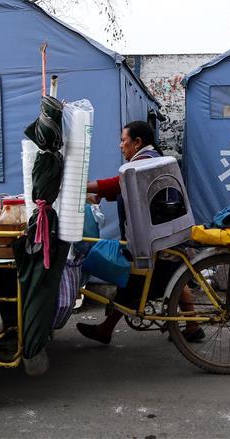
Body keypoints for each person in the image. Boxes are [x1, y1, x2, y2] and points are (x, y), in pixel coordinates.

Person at [76, 121, 204, 345]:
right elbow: (132, 193)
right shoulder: (150, 160)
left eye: (123, 140)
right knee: (173, 276)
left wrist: (85, 186)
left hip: (153, 240)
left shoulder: (144, 163)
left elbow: (120, 183)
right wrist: (102, 196)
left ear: (137, 142)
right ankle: (192, 326)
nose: (120, 145)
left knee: (133, 284)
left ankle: (106, 330)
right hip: (162, 237)